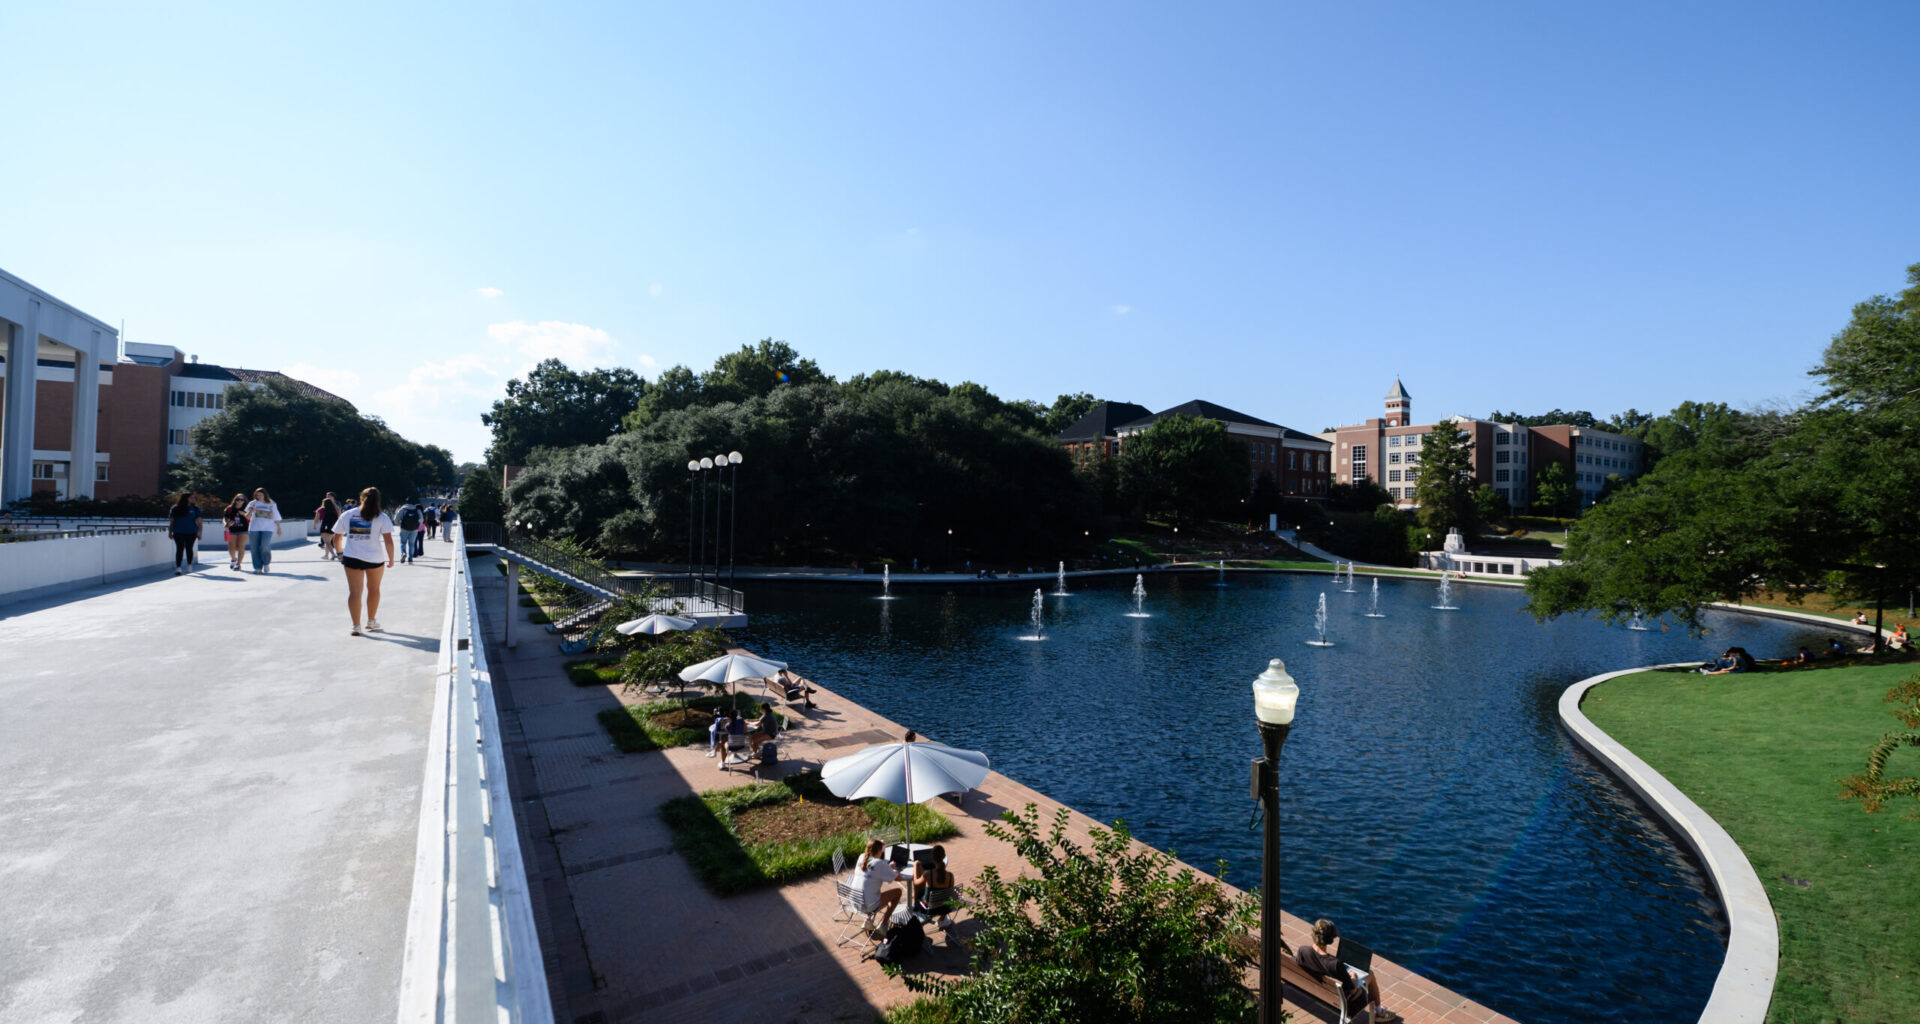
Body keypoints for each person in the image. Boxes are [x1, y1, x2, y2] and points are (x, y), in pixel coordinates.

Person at [1294, 919, 1400, 1023]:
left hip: (1313, 990)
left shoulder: (1303, 950)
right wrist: (1353, 976)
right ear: (1331, 939)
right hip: (1342, 1003)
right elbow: (1353, 990)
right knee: (1370, 974)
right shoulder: (1335, 964)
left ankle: (1379, 1011)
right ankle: (1379, 1011)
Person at [331, 486, 396, 636]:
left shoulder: (347, 514)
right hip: (375, 559)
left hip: (352, 557)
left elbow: (337, 537)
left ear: (361, 498)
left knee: (354, 592)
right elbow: (389, 542)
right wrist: (391, 559)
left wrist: (340, 553)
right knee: (374, 590)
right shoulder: (382, 517)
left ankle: (356, 626)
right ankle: (371, 621)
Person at [850, 838, 905, 931]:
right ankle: (883, 925)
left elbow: (873, 869)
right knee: (897, 892)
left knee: (870, 889)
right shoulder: (879, 863)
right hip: (868, 906)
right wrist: (893, 869)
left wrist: (887, 867)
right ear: (880, 851)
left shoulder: (861, 857)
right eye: (882, 850)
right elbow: (898, 878)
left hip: (854, 902)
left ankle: (868, 921)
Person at [912, 844, 959, 928]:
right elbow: (950, 893)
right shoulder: (950, 875)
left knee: (919, 890)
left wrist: (916, 865)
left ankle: (916, 911)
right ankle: (942, 920)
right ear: (944, 856)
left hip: (928, 908)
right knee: (945, 895)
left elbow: (916, 882)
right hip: (945, 907)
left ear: (932, 857)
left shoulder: (928, 874)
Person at [244, 487, 282, 573]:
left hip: (268, 528)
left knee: (264, 545)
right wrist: (251, 510)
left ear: (265, 495)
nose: (259, 496)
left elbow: (276, 516)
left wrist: (279, 528)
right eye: (257, 495)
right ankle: (257, 567)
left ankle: (266, 563)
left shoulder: (271, 503)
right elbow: (247, 517)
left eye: (261, 495)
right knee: (254, 547)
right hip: (254, 528)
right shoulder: (252, 503)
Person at [167, 493, 202, 575]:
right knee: (180, 548)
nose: (193, 499)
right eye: (191, 498)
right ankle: (178, 567)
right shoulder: (175, 508)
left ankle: (189, 565)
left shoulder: (196, 509)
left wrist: (200, 532)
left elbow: (199, 522)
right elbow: (172, 521)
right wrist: (170, 532)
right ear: (186, 498)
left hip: (191, 532)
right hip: (178, 531)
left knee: (189, 548)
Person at [222, 493, 249, 571]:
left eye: (241, 499)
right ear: (235, 500)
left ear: (244, 501)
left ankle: (238, 564)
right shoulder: (230, 508)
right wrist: (225, 524)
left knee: (241, 546)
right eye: (238, 499)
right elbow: (224, 518)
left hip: (244, 530)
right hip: (232, 530)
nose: (239, 501)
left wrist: (244, 514)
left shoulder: (247, 509)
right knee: (231, 547)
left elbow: (250, 517)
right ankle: (234, 559)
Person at [394, 497, 423, 564]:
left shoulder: (402, 509)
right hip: (414, 529)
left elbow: (396, 520)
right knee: (412, 544)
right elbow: (421, 519)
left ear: (406, 502)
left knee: (403, 542)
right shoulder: (417, 509)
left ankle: (403, 553)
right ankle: (410, 558)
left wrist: (400, 524)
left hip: (404, 528)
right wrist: (417, 525)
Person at [314, 495, 342, 561]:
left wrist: (315, 525)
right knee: (329, 541)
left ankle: (333, 554)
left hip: (325, 527)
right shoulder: (336, 508)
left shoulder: (321, 510)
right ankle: (326, 555)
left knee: (327, 542)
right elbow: (340, 517)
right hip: (334, 527)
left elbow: (316, 519)